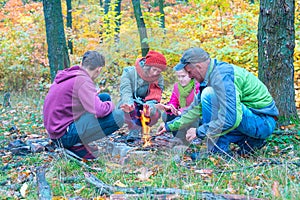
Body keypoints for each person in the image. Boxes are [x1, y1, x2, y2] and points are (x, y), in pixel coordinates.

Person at [158, 47, 279, 158]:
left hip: (263, 121)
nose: (190, 76)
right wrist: (169, 126)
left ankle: (217, 151)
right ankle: (249, 142)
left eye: (189, 72)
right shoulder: (212, 76)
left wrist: (199, 132)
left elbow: (232, 118)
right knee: (209, 98)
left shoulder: (222, 77)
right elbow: (195, 109)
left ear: (198, 66)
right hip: (252, 118)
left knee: (209, 95)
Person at [43, 50, 124, 160]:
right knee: (119, 116)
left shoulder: (72, 75)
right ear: (98, 69)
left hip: (57, 129)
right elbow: (99, 111)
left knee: (104, 97)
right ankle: (74, 146)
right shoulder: (83, 81)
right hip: (63, 135)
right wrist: (112, 105)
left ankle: (78, 141)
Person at [119, 50, 167, 142]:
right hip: (130, 102)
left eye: (158, 71)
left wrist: (149, 108)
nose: (155, 73)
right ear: (147, 66)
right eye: (154, 70)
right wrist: (129, 104)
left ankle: (143, 128)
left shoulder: (159, 78)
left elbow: (155, 97)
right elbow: (125, 91)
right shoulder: (129, 72)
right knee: (128, 108)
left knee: (155, 113)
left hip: (146, 103)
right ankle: (134, 129)